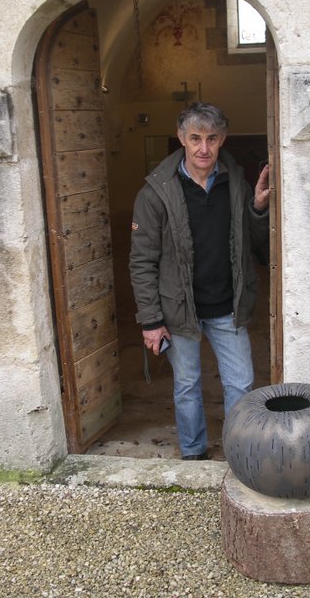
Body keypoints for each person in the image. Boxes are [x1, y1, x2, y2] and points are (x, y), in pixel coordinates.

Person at [129, 102, 270, 460]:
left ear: (222, 139)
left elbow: (255, 242)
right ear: (181, 138)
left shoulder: (235, 181)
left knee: (241, 383)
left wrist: (257, 208)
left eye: (211, 138)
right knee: (187, 386)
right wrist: (151, 321)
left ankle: (240, 453)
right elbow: (142, 261)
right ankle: (193, 453)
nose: (203, 148)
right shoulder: (156, 192)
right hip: (179, 309)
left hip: (228, 305)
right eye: (195, 138)